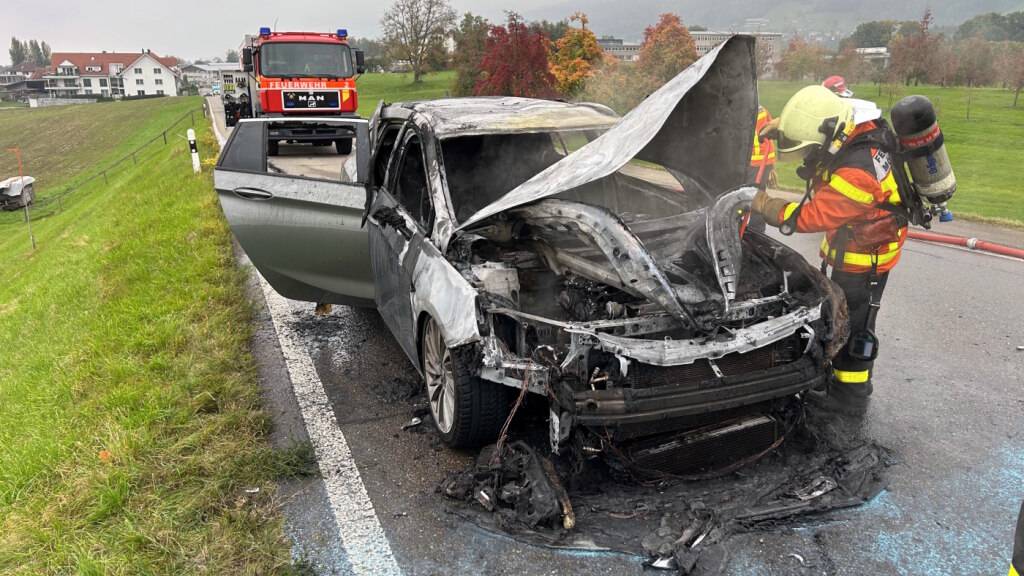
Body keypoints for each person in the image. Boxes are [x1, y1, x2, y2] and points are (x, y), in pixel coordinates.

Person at [752, 85, 906, 415]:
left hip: (865, 257)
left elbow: (811, 216)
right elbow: (815, 113)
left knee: (853, 324)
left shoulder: (857, 173)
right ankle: (835, 379)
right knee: (839, 314)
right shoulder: (855, 121)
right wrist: (784, 127)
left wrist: (766, 205)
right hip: (856, 241)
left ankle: (849, 397)